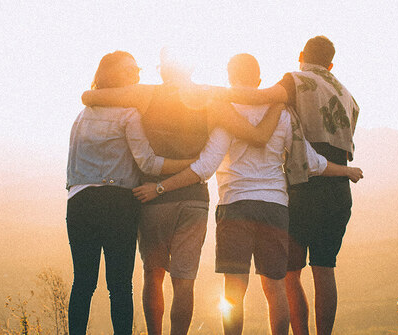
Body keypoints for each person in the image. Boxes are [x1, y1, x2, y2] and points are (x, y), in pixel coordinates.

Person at [133, 53, 362, 335]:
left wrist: (161, 187)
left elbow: (205, 167)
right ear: (259, 79)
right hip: (275, 207)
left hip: (235, 207)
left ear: (230, 78)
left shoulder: (226, 113)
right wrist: (345, 171)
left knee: (234, 289)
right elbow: (309, 161)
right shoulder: (283, 113)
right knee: (275, 286)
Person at [81, 48, 281, 335]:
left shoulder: (144, 93)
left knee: (153, 275)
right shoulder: (211, 97)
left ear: (163, 69)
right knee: (184, 282)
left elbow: (90, 97)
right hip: (193, 200)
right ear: (191, 67)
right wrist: (281, 96)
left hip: (152, 199)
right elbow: (256, 133)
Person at [218, 36, 361, 335]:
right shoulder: (347, 96)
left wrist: (210, 95)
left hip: (304, 187)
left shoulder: (295, 80)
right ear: (331, 64)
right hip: (337, 188)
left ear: (301, 55)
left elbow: (259, 98)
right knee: (325, 270)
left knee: (289, 275)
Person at [65, 51, 195, 335]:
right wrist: (190, 165)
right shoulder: (128, 113)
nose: (137, 74)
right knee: (120, 285)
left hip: (79, 202)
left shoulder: (82, 115)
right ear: (113, 74)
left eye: (138, 68)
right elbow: (148, 162)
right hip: (117, 203)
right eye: (130, 70)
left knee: (83, 283)